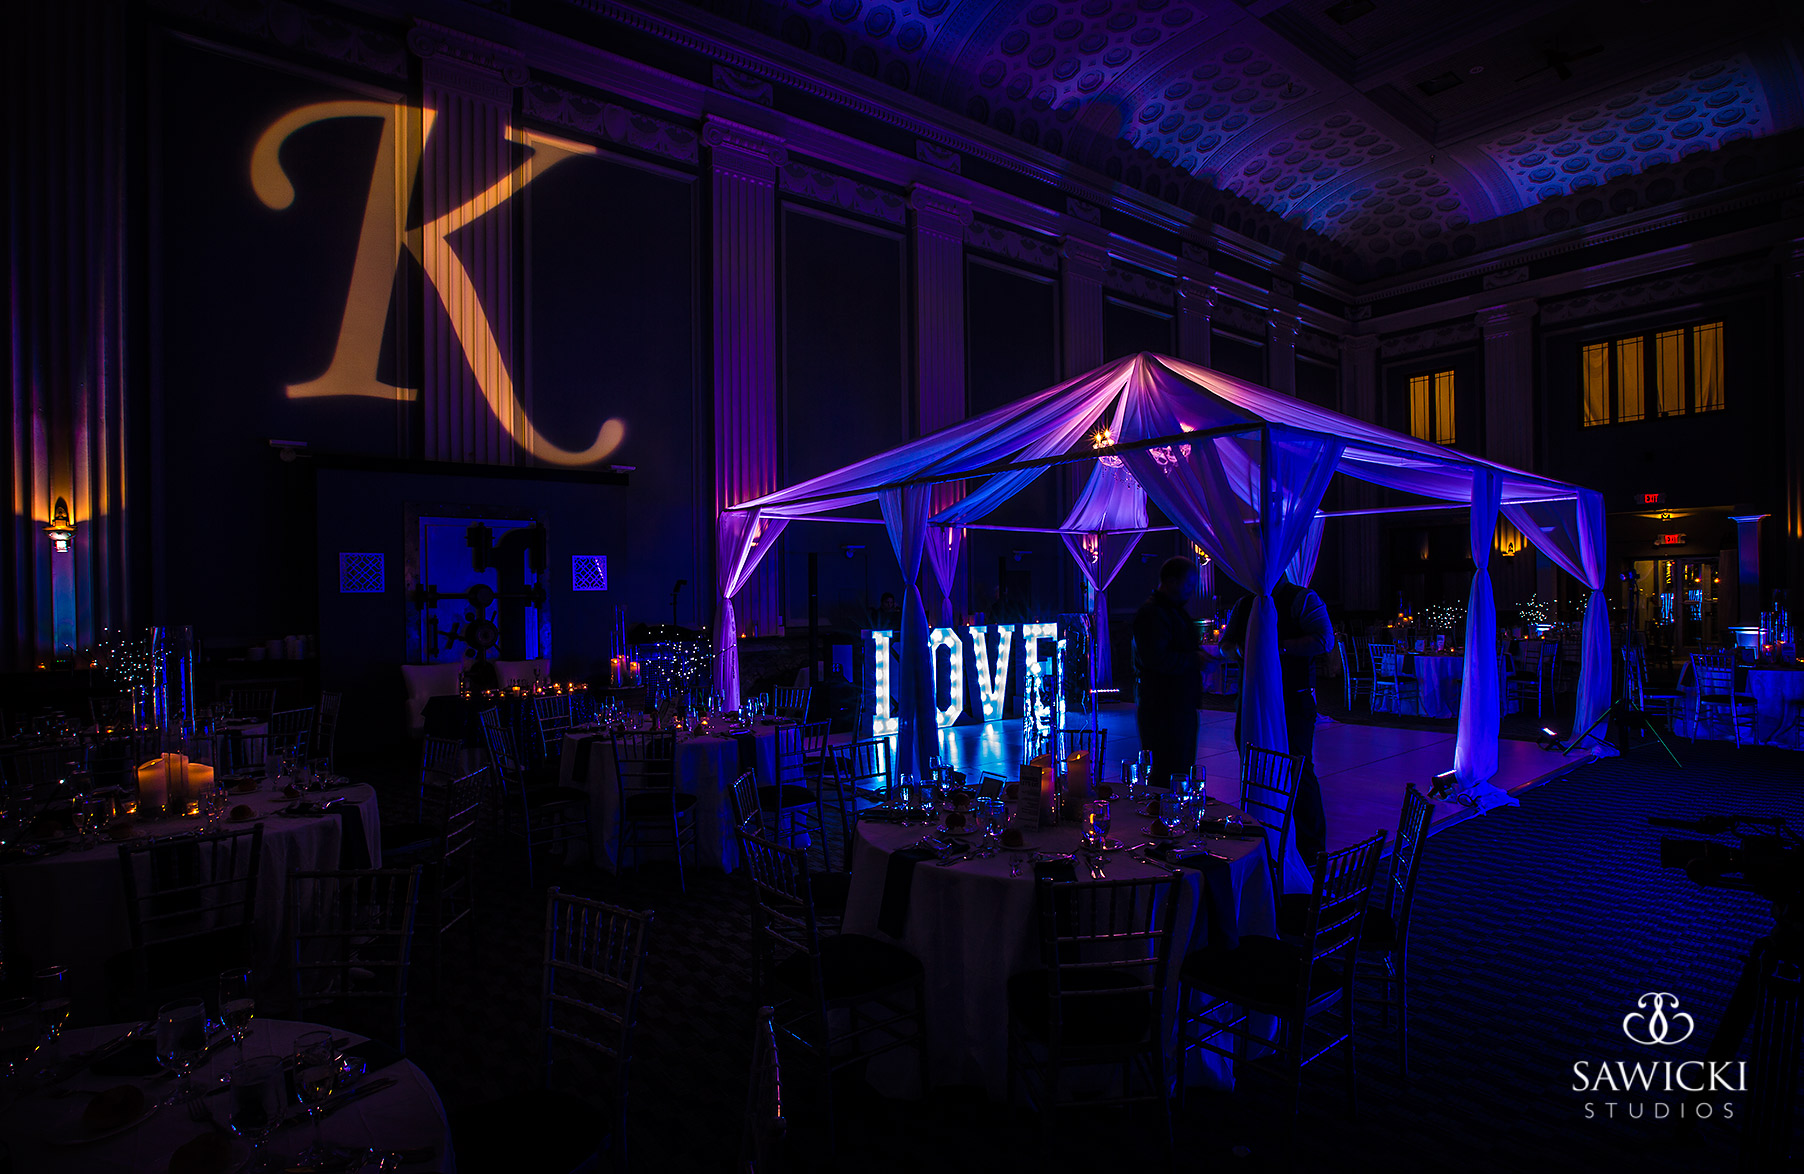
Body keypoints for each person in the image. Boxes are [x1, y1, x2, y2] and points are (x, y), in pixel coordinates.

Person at [1220, 576, 1335, 866]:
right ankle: (1265, 839)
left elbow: (1324, 640)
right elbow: (1225, 645)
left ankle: (1310, 849)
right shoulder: (1244, 603)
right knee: (1255, 767)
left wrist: (1275, 646)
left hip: (1292, 699)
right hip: (1252, 700)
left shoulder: (1303, 598)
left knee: (1298, 770)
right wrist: (1240, 650)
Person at [1131, 556, 1204, 789]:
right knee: (1166, 773)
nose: (1191, 590)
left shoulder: (1172, 611)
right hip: (1163, 709)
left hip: (1178, 706)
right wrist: (1195, 660)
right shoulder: (1153, 613)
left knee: (1181, 769)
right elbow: (1156, 659)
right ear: (1171, 581)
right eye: (1188, 584)